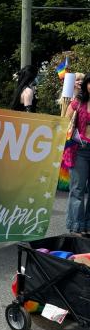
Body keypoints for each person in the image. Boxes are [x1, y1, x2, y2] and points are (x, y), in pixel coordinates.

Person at [65, 73, 90, 237]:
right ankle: (76, 226)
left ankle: (88, 225)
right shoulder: (78, 102)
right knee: (78, 188)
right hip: (80, 149)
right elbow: (65, 123)